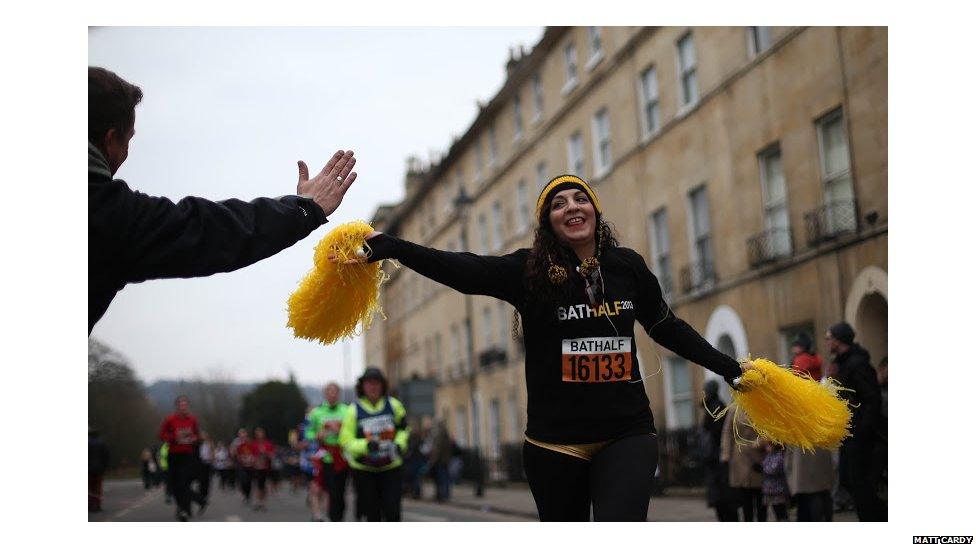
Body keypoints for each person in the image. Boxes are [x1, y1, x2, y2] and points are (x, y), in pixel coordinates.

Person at [349, 175, 749, 521]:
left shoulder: (626, 267)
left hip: (626, 433)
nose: (571, 207)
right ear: (548, 223)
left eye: (580, 199)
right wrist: (395, 247)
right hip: (554, 443)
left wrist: (729, 367)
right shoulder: (528, 272)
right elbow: (464, 270)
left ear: (594, 210)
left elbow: (666, 326)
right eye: (558, 204)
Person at [88, 67, 360, 333]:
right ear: (110, 140)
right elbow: (208, 231)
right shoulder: (107, 212)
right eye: (128, 141)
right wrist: (304, 209)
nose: (126, 153)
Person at [827, 322, 885, 522]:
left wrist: (861, 433)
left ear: (839, 339)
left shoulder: (857, 363)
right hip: (850, 435)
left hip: (861, 438)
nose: (827, 342)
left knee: (863, 489)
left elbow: (871, 399)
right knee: (850, 481)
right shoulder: (841, 363)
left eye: (830, 337)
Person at [339, 367, 410, 522]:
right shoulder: (353, 410)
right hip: (364, 470)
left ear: (383, 386)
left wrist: (399, 444)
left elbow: (404, 429)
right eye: (369, 383)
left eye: (377, 383)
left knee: (393, 513)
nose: (373, 387)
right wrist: (366, 446)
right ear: (362, 386)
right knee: (372, 515)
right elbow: (345, 440)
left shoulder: (395, 405)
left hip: (391, 468)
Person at [784, 338, 834, 521]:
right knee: (821, 491)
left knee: (808, 495)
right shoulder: (817, 371)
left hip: (804, 446)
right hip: (819, 444)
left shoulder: (801, 363)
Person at [305, 382, 350, 521]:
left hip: (343, 456)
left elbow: (352, 430)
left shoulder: (347, 411)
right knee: (330, 490)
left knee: (340, 492)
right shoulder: (316, 413)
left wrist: (341, 431)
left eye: (335, 392)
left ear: (338, 394)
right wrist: (317, 435)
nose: (332, 394)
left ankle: (338, 516)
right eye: (329, 392)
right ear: (325, 394)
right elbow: (308, 432)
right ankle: (332, 517)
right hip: (326, 457)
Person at [158, 395, 206, 521]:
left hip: (187, 455)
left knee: (183, 483)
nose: (183, 407)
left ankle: (184, 510)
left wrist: (195, 438)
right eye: (181, 405)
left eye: (185, 405)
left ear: (187, 407)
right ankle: (199, 500)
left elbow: (198, 435)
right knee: (175, 486)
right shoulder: (170, 420)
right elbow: (161, 434)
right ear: (177, 407)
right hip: (173, 455)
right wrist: (174, 438)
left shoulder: (193, 420)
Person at [721, 405, 767, 521]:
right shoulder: (734, 409)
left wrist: (760, 442)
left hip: (758, 456)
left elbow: (771, 429)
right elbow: (727, 432)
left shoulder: (762, 405)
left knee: (761, 498)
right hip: (739, 457)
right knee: (745, 498)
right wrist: (725, 454)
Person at [701, 380, 737, 521]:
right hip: (713, 457)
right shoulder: (710, 406)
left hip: (717, 456)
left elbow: (717, 432)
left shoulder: (716, 407)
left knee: (722, 495)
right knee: (718, 495)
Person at [426, 418, 454, 502]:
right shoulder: (444, 433)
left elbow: (437, 449)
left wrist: (433, 460)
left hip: (441, 461)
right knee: (443, 478)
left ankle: (443, 495)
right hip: (444, 460)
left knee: (442, 478)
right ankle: (443, 494)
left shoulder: (439, 434)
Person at [761, 443, 790, 521]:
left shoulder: (779, 456)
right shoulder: (769, 455)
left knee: (780, 510)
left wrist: (762, 469)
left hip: (778, 489)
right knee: (774, 510)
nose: (766, 448)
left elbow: (774, 468)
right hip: (770, 489)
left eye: (768, 446)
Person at [251, 427, 275, 512]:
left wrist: (265, 453)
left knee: (264, 486)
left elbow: (272, 455)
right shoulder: (253, 444)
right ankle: (258, 502)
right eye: (258, 433)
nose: (259, 435)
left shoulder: (268, 444)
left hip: (266, 467)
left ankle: (263, 502)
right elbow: (251, 455)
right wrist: (254, 460)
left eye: (261, 433)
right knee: (257, 485)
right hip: (256, 467)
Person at [231, 428, 255, 505]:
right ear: (239, 434)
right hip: (240, 463)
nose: (243, 435)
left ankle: (248, 495)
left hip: (250, 464)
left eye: (244, 433)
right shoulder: (236, 442)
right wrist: (234, 454)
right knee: (243, 479)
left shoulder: (250, 441)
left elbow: (254, 450)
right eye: (241, 433)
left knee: (249, 481)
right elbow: (232, 451)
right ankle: (244, 493)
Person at [88, 428, 110, 512]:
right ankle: (97, 505)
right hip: (99, 469)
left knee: (89, 487)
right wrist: (105, 467)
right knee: (98, 488)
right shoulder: (102, 444)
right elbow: (106, 456)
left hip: (88, 469)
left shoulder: (87, 444)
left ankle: (89, 505)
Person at [196, 432, 214, 507]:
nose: (203, 437)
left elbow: (213, 453)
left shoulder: (210, 443)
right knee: (201, 480)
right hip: (200, 464)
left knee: (207, 480)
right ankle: (201, 495)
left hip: (207, 463)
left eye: (204, 436)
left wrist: (212, 459)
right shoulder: (198, 444)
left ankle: (205, 496)